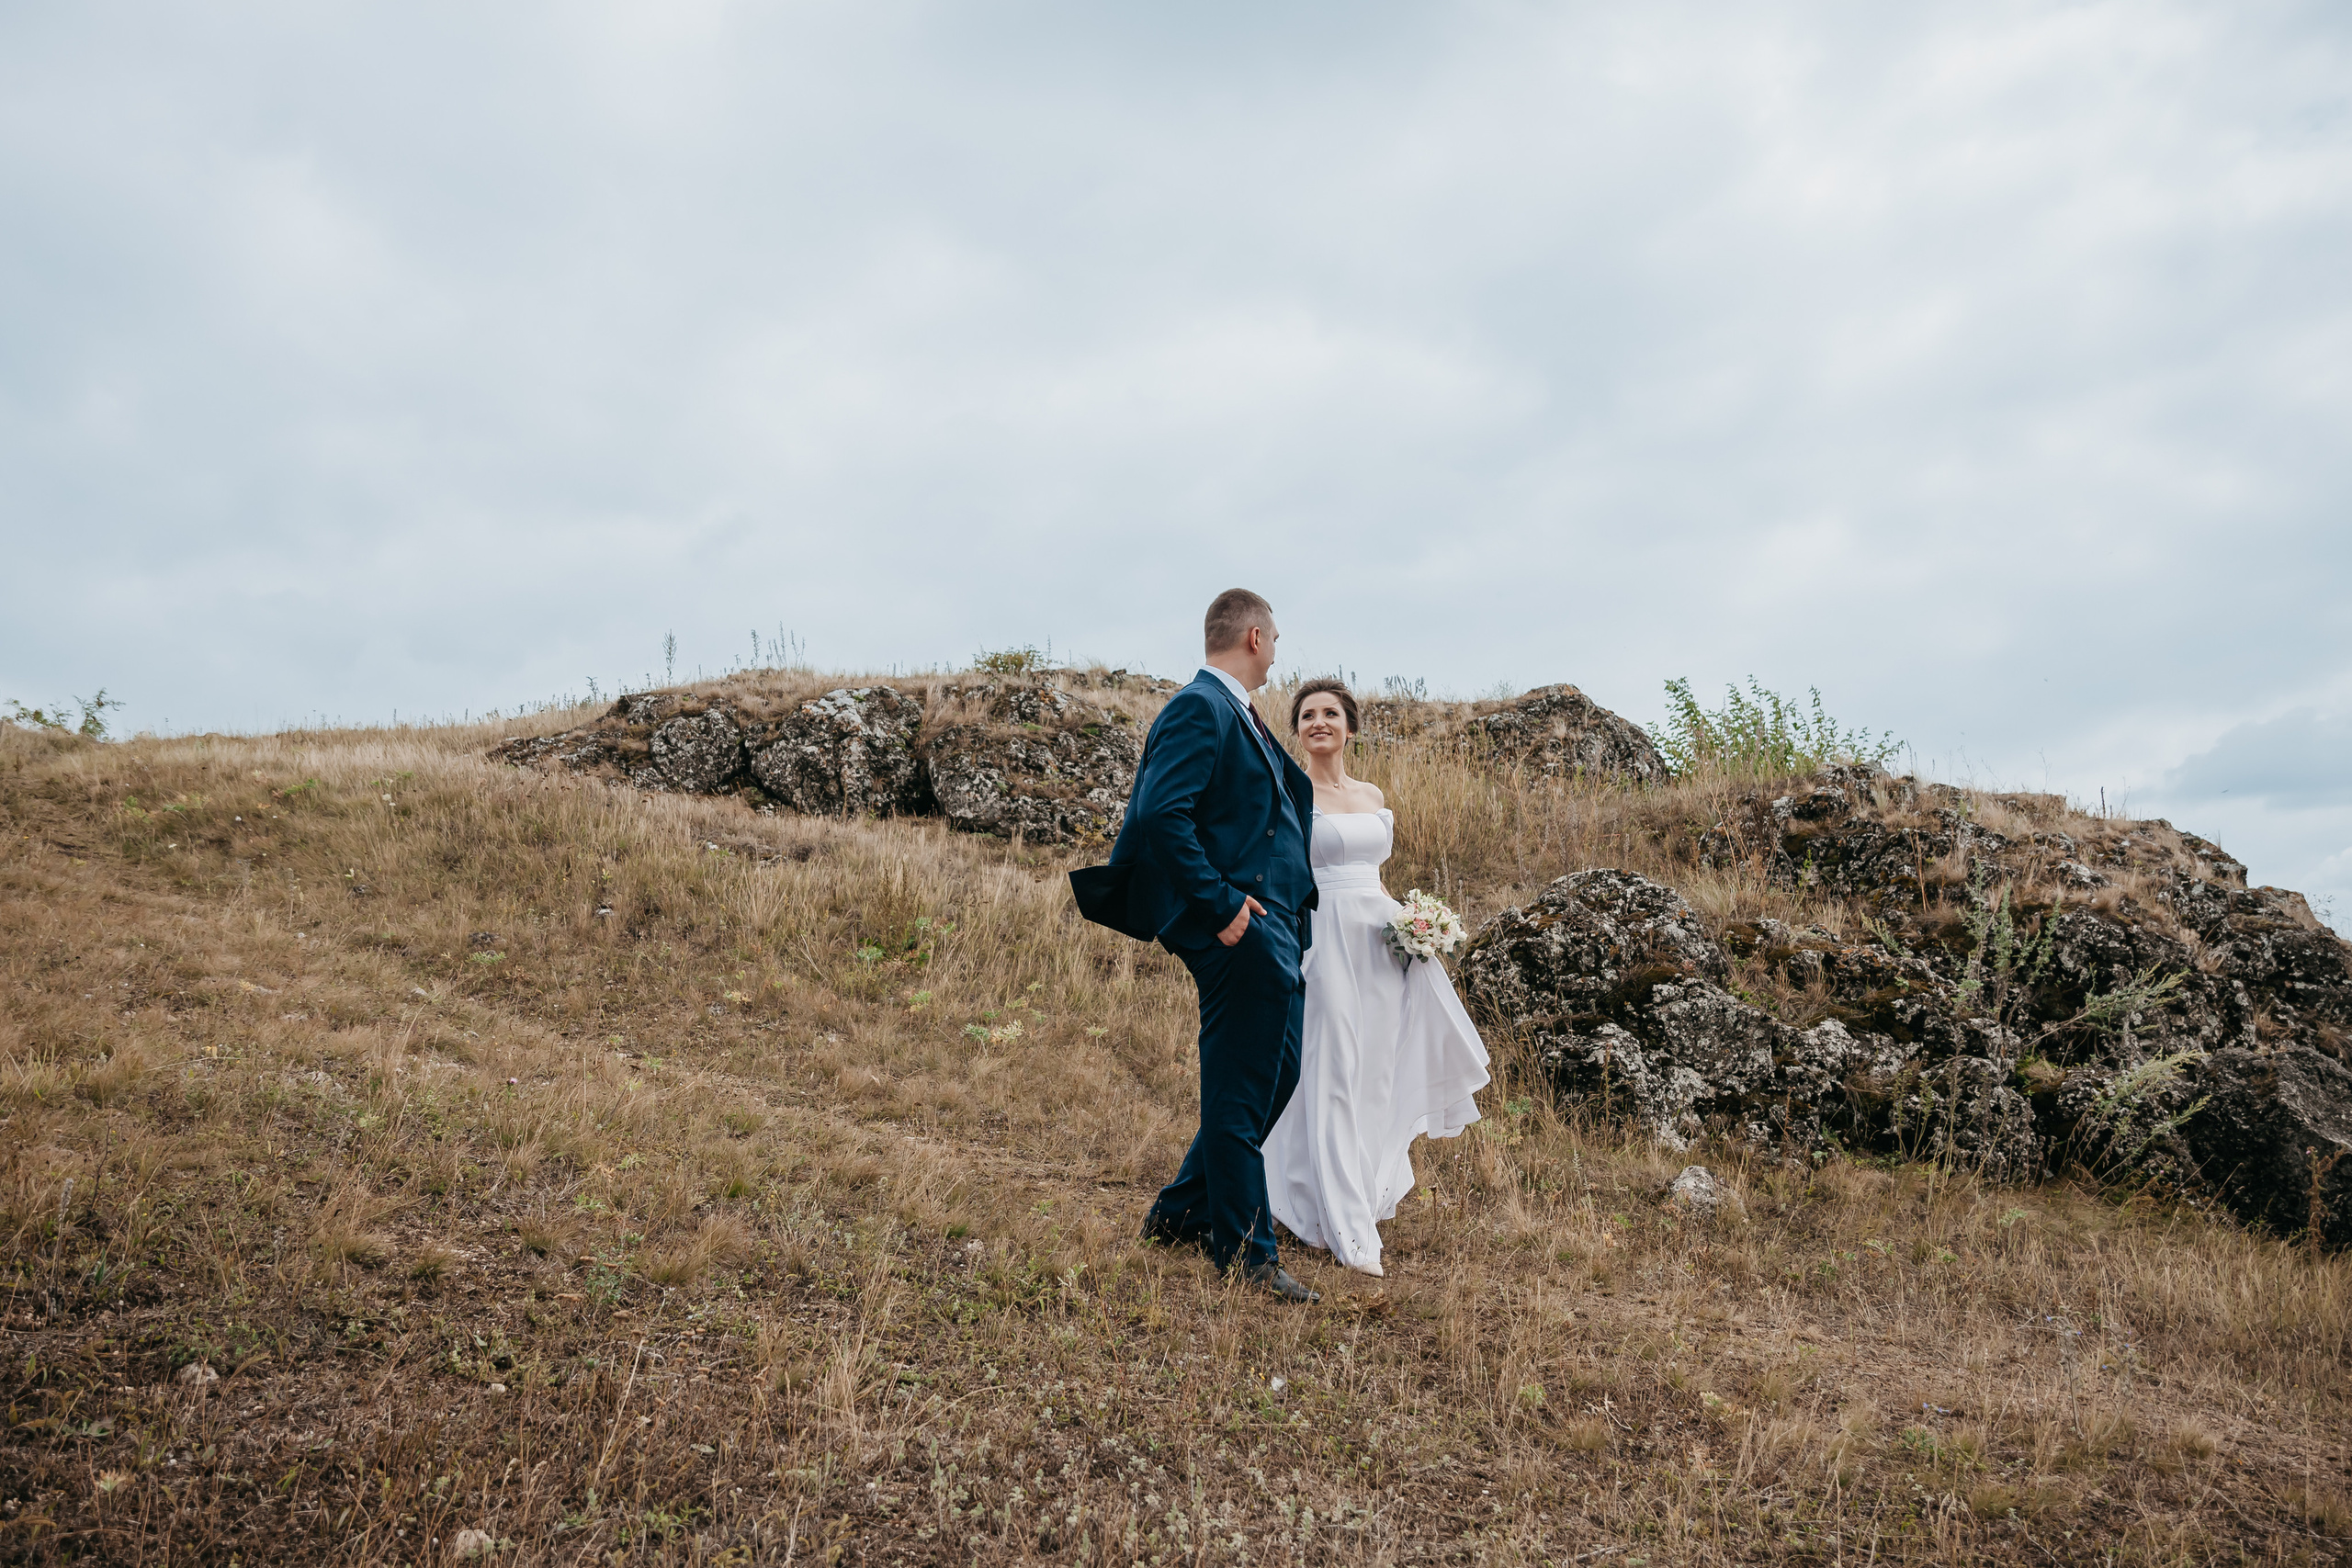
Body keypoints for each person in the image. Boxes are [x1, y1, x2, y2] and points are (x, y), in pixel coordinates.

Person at [1069, 589, 1322, 1303]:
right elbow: (1161, 814)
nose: (1277, 647)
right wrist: (1222, 908)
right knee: (1241, 1095)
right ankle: (1244, 1251)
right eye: (1274, 636)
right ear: (1252, 635)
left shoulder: (1239, 714)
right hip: (1237, 929)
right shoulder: (1198, 707)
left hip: (1271, 928)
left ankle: (1180, 1214)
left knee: (1280, 1078)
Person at [1261, 678, 1490, 1278]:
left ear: (1349, 726)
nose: (1318, 722)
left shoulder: (1370, 792)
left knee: (1375, 1070)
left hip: (1380, 939)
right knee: (1331, 1062)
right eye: (1307, 714)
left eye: (1329, 713)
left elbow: (1376, 877)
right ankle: (1338, 1220)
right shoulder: (1287, 790)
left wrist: (1416, 927)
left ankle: (1355, 1184)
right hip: (1323, 933)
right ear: (1298, 729)